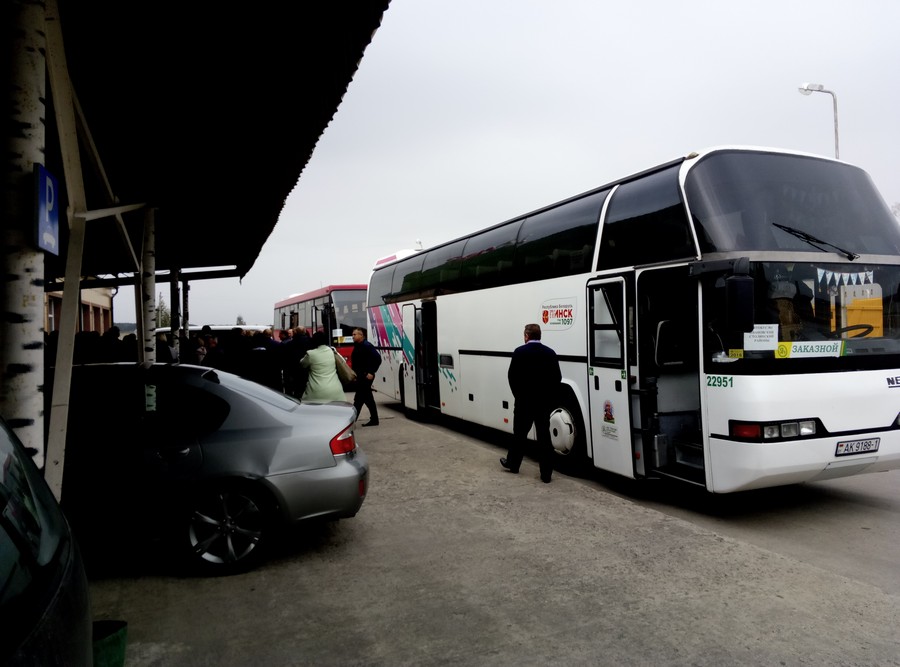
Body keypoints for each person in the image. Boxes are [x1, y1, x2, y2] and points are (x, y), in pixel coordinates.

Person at [500, 323, 562, 483]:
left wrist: (519, 396)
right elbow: (557, 378)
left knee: (519, 435)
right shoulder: (550, 353)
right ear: (539, 335)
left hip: (524, 403)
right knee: (544, 438)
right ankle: (546, 474)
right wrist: (549, 399)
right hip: (543, 404)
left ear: (527, 336)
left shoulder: (519, 352)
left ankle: (513, 464)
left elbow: (512, 377)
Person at [300, 331, 347, 403]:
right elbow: (342, 361)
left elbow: (302, 364)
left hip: (316, 392)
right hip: (335, 390)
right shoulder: (331, 351)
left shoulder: (310, 354)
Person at [350, 327, 381, 426]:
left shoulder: (367, 346)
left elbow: (378, 359)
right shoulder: (358, 345)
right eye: (352, 334)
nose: (353, 336)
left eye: (355, 334)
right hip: (360, 376)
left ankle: (352, 421)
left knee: (359, 399)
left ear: (361, 335)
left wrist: (371, 372)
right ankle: (374, 419)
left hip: (366, 376)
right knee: (367, 399)